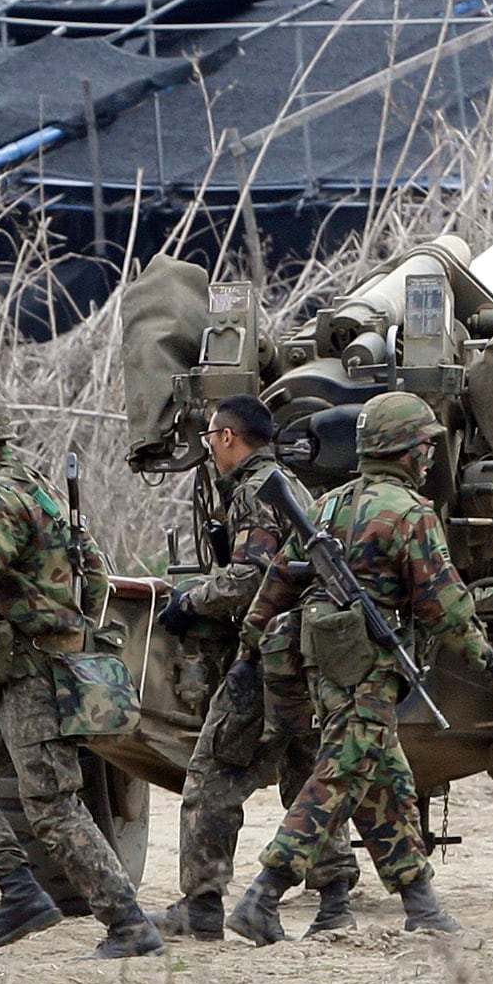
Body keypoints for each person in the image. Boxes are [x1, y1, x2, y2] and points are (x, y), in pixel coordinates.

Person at [225, 392, 493, 945]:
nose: (430, 457)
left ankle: (422, 904)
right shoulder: (409, 513)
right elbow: (445, 606)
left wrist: (249, 642)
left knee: (387, 781)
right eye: (425, 446)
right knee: (339, 776)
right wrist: (490, 660)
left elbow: (281, 575)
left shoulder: (329, 503)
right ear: (406, 452)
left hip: (324, 659)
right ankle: (263, 895)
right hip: (367, 662)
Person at [0, 385, 166, 960]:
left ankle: (129, 924)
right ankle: (20, 893)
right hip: (25, 671)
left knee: (53, 804)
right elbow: (94, 574)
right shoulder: (38, 487)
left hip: (30, 672)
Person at [152, 395, 362, 941]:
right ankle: (335, 901)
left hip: (265, 653)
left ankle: (201, 905)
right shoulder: (290, 485)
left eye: (210, 441)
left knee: (212, 775)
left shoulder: (254, 491)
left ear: (226, 438)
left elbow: (252, 575)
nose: (209, 452)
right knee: (306, 771)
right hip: (303, 653)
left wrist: (192, 600)